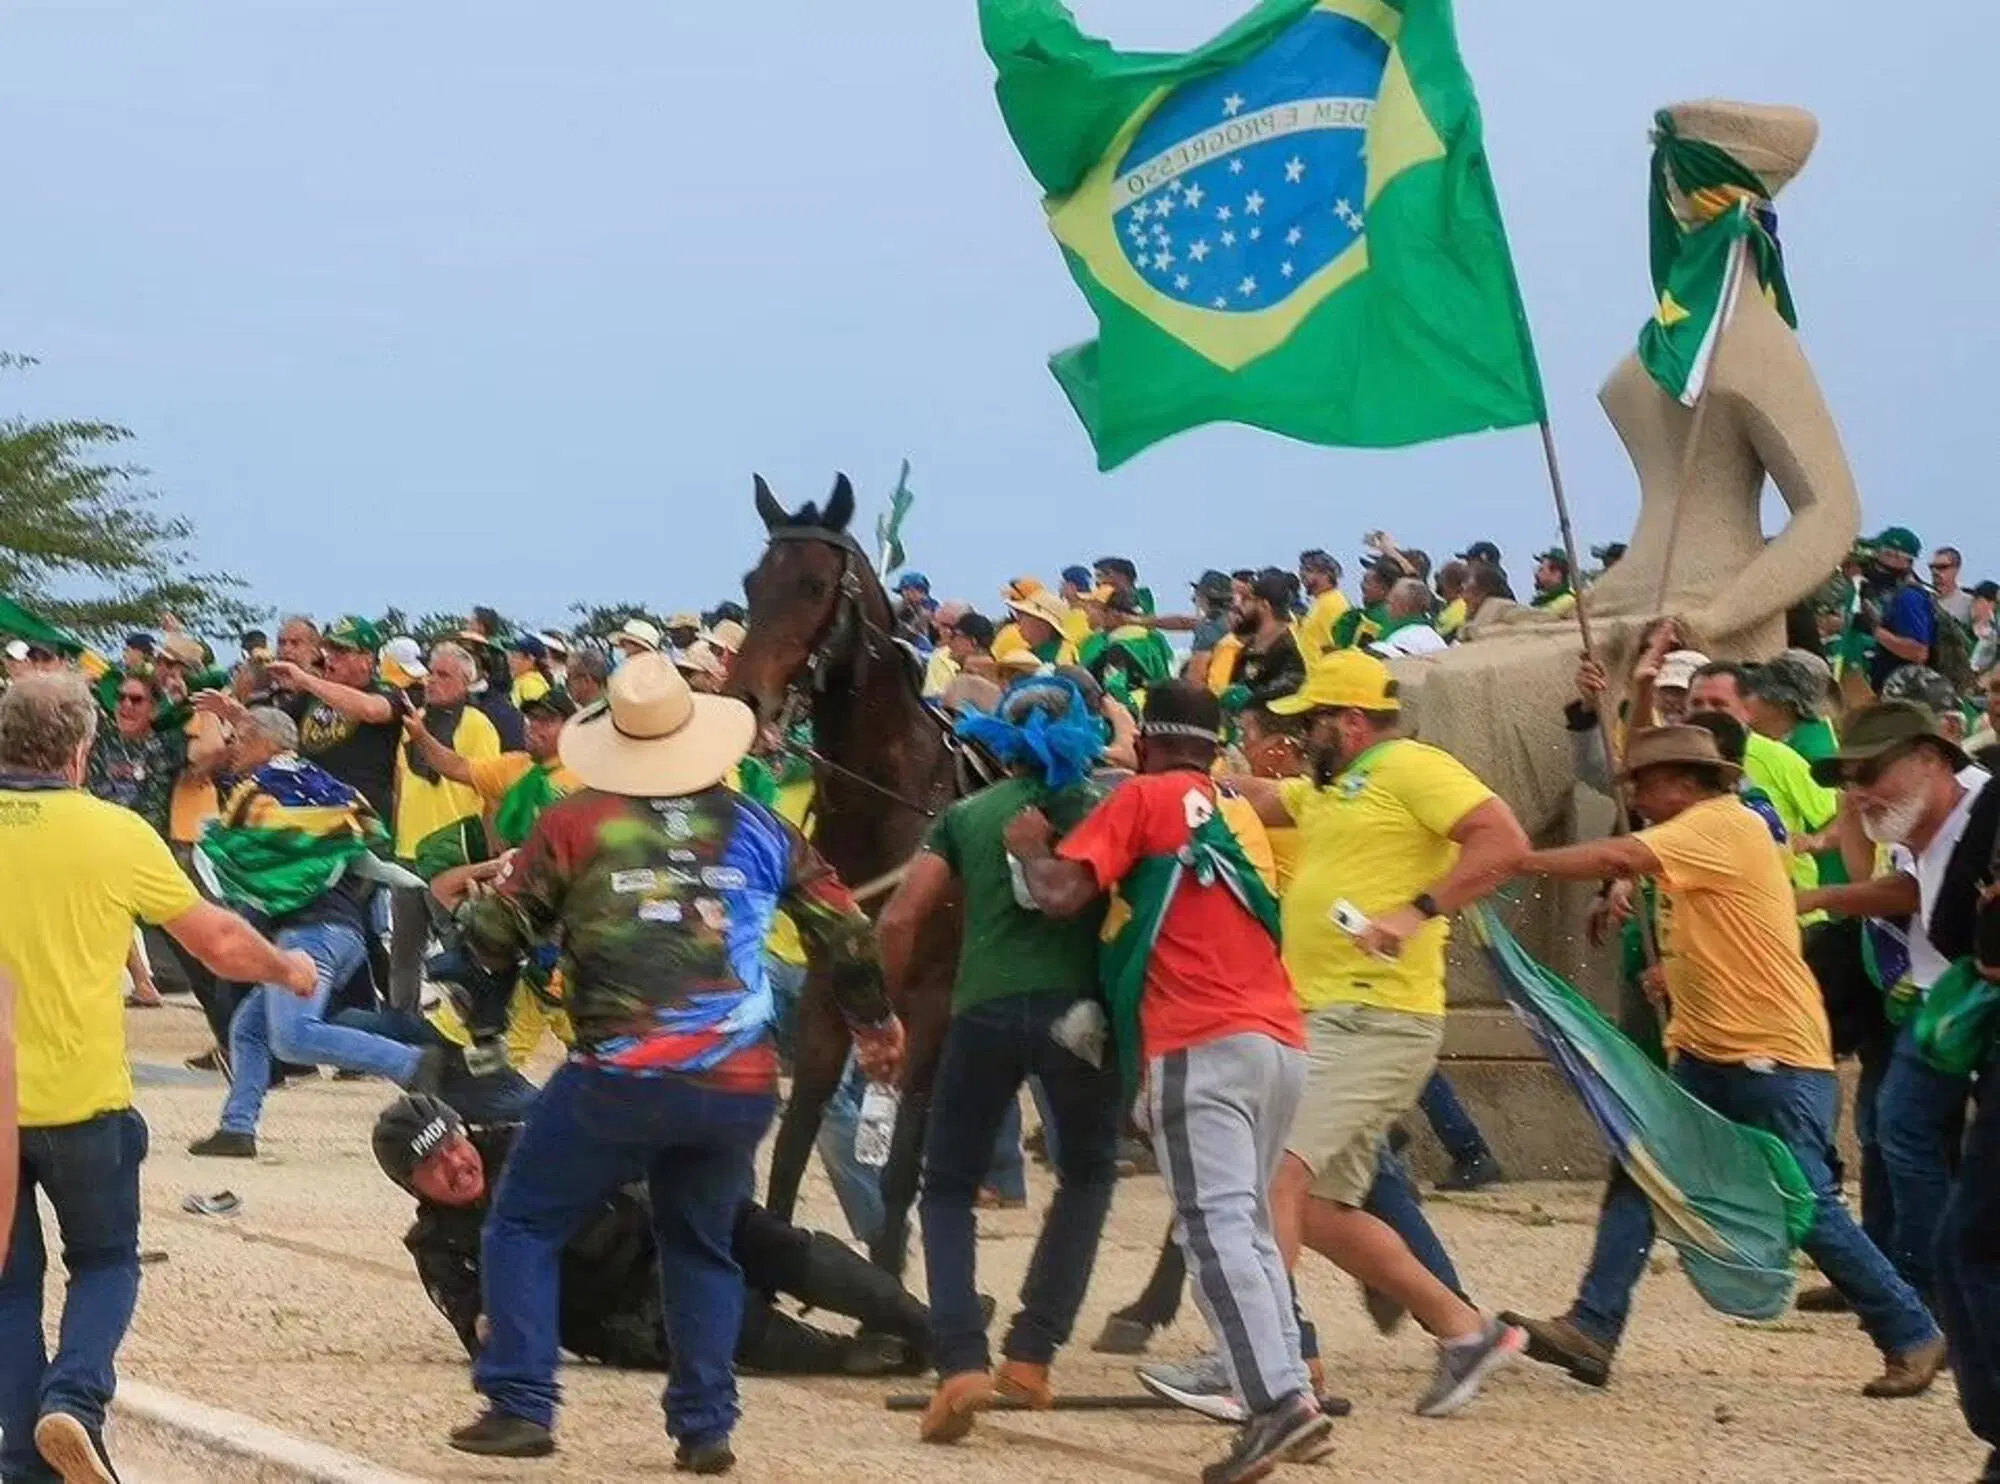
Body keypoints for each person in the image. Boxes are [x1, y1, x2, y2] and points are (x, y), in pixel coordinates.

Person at [442, 652, 904, 1469]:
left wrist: (480, 912)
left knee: (522, 1222)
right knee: (701, 1244)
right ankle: (704, 1427)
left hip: (618, 1075)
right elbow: (848, 933)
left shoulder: (572, 824)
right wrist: (874, 1023)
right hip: (735, 1079)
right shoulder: (762, 827)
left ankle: (521, 1400)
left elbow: (495, 937)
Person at [1503, 724, 1945, 1397]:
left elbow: (1620, 853)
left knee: (1805, 1205)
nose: (1640, 798)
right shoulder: (1704, 835)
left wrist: (1520, 862)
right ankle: (1593, 1326)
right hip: (1715, 1052)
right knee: (1643, 1172)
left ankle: (1912, 1332)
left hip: (1770, 1056)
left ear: (1685, 781)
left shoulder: (1720, 823)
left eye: (1646, 785)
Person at [1007, 682, 1334, 1484]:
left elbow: (1061, 894)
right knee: (1251, 1228)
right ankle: (1287, 1389)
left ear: (1147, 747)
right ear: (1215, 748)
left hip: (1199, 1040)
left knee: (1212, 1229)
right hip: (1280, 1038)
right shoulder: (1238, 812)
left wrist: (1025, 845)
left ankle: (1276, 1406)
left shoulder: (1145, 798)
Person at [0, 673, 318, 1484]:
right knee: (105, 1261)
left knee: (6, 1287)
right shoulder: (114, 833)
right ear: (80, 751)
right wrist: (287, 968)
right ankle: (72, 1400)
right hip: (82, 1098)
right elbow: (215, 941)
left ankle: (21, 1460)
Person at [1239, 652, 1530, 1416]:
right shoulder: (1330, 789)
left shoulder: (1411, 766)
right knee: (1324, 1214)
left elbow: (1503, 841)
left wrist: (1416, 912)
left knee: (1275, 1174)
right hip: (1333, 1015)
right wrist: (1171, 779)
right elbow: (1264, 796)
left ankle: (1267, 1367)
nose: (1300, 736)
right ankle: (1465, 1330)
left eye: (1311, 723)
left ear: (1351, 721)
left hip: (1375, 1013)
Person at [874, 676, 1122, 1444]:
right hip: (1077, 1016)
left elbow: (899, 916)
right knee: (1085, 1177)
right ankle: (1032, 1354)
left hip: (980, 1010)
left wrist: (882, 1014)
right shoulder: (1102, 809)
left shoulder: (964, 815)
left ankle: (958, 1364)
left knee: (945, 1187)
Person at [372, 1095, 932, 1377]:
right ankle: (856, 1356)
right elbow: (483, 1339)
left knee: (771, 1240)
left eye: (453, 1143)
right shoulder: (440, 1246)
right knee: (724, 1318)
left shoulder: (526, 1142)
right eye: (433, 1164)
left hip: (666, 1229)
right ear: (411, 1185)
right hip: (628, 1311)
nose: (456, 1163)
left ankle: (925, 1322)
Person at [1796, 703, 1994, 1308]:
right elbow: (1910, 888)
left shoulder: (1985, 806)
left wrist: (1819, 896)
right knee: (1895, 1128)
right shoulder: (1917, 813)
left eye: (1870, 772)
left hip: (1972, 1000)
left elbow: (1914, 896)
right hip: (1935, 999)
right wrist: (1856, 817)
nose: (1858, 791)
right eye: (1847, 779)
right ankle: (1909, 1281)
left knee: (1907, 1132)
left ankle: (1928, 1283)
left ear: (1931, 759)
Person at [185, 706, 448, 1158]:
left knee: (294, 1035)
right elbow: (361, 836)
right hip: (338, 932)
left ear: (270, 744)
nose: (234, 746)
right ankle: (237, 1126)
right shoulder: (318, 784)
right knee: (250, 1029)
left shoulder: (266, 789)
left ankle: (412, 1063)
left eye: (243, 738)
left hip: (311, 935)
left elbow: (240, 848)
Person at [394, 643, 502, 863]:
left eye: (443, 675)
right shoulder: (416, 719)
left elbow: (491, 791)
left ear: (465, 682)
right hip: (407, 851)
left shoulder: (478, 725)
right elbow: (400, 783)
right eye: (431, 673)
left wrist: (492, 852)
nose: (431, 680)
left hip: (453, 853)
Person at [1858, 528, 1936, 694]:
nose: (1875, 558)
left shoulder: (1909, 597)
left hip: (1901, 692)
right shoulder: (1883, 592)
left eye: (1883, 553)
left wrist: (1875, 631)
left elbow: (1919, 652)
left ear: (1901, 559)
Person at [1226, 570, 1307, 713]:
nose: (1238, 605)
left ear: (1264, 605)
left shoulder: (1293, 649)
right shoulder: (1249, 650)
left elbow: (1286, 694)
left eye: (1246, 599)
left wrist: (1249, 699)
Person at [1369, 579, 1447, 659]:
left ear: (1404, 608)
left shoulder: (1399, 640)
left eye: (1390, 603)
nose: (1386, 609)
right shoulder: (1437, 639)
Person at [1294, 550, 1349, 662]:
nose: (1302, 574)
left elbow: (1337, 647)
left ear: (1327, 574)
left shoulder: (1332, 604)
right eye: (1301, 569)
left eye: (1308, 570)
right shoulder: (1321, 602)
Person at [1931, 546, 1974, 626]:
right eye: (1932, 567)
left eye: (1942, 567)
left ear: (1956, 569)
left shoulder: (1969, 604)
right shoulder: (1925, 600)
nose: (1935, 572)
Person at [1529, 548, 1576, 616]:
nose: (1537, 574)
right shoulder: (1547, 599)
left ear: (1557, 573)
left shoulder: (1567, 600)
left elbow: (1539, 617)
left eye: (1541, 569)